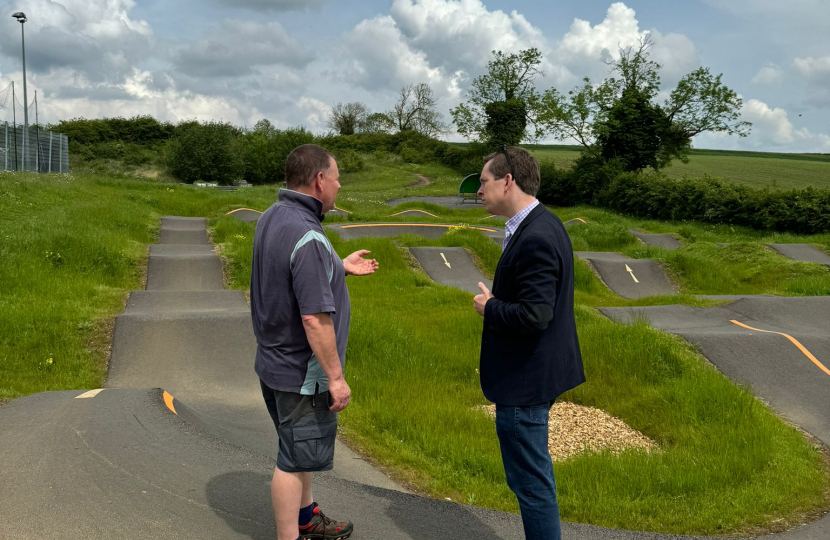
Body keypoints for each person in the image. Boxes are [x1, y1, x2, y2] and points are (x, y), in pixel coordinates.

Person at [251, 144, 378, 540]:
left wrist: (337, 267)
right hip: (302, 376)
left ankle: (308, 520)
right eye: (337, 178)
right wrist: (336, 378)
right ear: (319, 180)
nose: (339, 186)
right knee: (291, 460)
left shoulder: (273, 215)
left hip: (272, 365)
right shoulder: (308, 234)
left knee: (297, 449)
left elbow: (287, 270)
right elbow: (313, 317)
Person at [473, 146, 585, 540]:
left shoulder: (536, 235)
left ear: (507, 180)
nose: (479, 191)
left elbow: (536, 315)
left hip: (525, 380)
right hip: (534, 374)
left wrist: (491, 307)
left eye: (484, 182)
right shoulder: (543, 222)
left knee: (531, 485)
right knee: (533, 479)